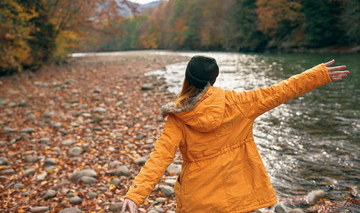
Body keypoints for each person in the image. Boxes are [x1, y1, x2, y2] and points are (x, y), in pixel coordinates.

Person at [121, 56, 349, 213]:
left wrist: (135, 195)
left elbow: (159, 158)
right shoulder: (240, 103)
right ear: (213, 80)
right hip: (239, 196)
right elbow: (280, 91)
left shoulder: (179, 117)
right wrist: (319, 75)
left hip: (199, 201)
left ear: (187, 79)